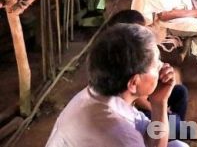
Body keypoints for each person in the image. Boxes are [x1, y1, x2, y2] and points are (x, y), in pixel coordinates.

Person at [46, 24, 185, 147]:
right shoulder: (119, 136)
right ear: (133, 83)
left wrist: (159, 102)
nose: (162, 67)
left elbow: (152, 139)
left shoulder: (101, 94)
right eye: (156, 65)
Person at [106, 10, 190, 143]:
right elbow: (138, 99)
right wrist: (159, 107)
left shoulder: (124, 56)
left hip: (141, 99)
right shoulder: (124, 131)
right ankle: (177, 132)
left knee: (180, 94)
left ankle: (174, 133)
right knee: (179, 129)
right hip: (141, 105)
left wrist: (160, 102)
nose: (146, 33)